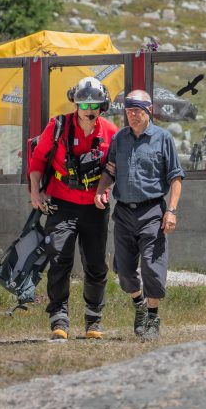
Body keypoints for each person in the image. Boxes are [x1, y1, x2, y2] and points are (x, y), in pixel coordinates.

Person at [29, 76, 118, 340]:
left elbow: (114, 169)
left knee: (95, 264)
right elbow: (37, 162)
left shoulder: (111, 132)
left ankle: (94, 320)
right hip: (61, 203)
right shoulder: (56, 127)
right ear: (74, 104)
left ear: (103, 106)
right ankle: (59, 317)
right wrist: (36, 192)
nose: (88, 110)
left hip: (95, 206)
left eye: (94, 105)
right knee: (59, 258)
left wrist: (104, 190)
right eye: (83, 104)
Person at [95, 89, 184, 342]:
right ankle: (139, 306)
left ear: (148, 111)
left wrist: (171, 210)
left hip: (152, 212)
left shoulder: (163, 138)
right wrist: (101, 191)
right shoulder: (120, 139)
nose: (132, 115)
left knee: (152, 268)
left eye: (137, 111)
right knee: (124, 269)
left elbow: (175, 177)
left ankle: (153, 318)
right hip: (123, 213)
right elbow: (110, 170)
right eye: (128, 111)